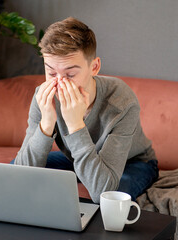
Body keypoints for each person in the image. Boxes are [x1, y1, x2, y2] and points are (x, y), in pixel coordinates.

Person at [13, 17, 158, 203]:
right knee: (13, 171)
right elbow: (20, 175)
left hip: (133, 162)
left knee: (109, 198)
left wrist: (75, 124)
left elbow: (101, 191)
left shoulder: (121, 101)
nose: (59, 83)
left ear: (94, 67)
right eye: (51, 72)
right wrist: (47, 122)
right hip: (77, 157)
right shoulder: (44, 96)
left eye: (70, 74)